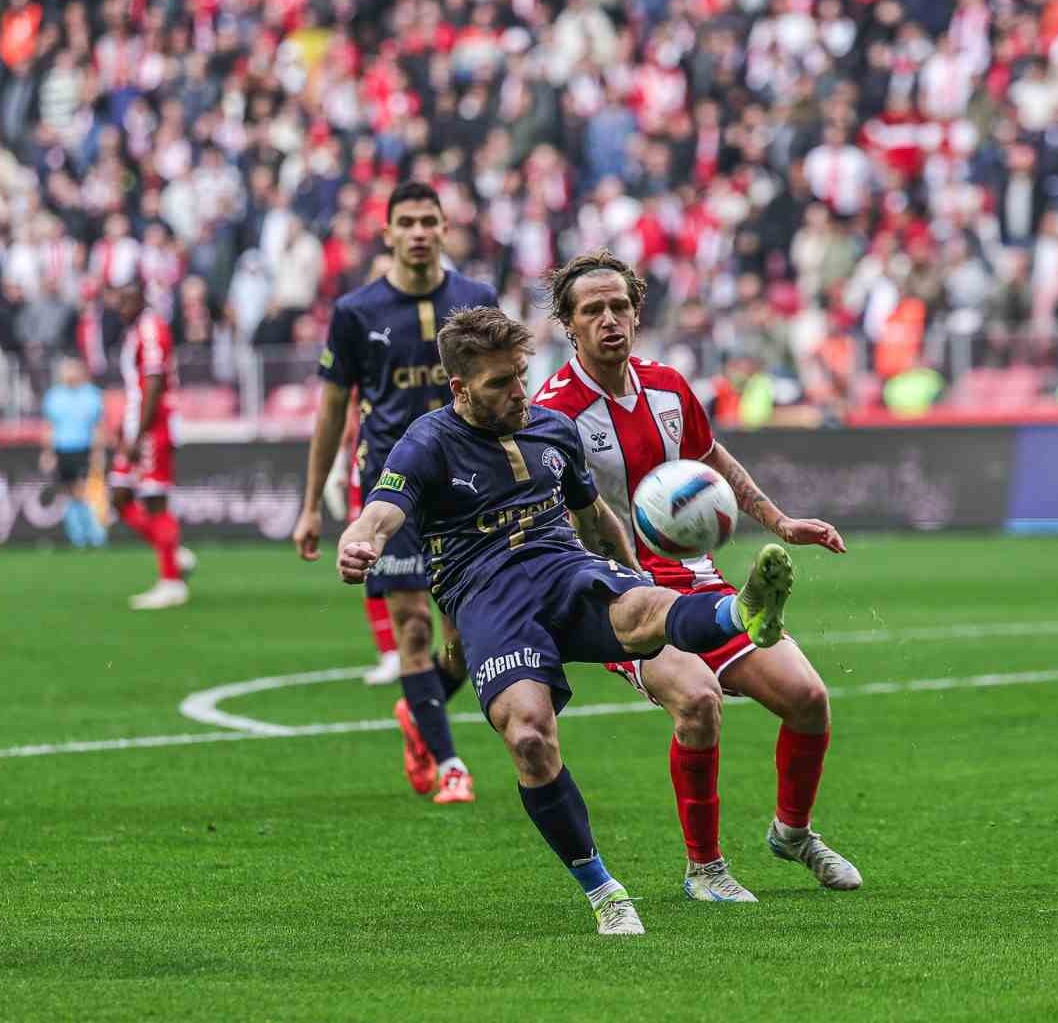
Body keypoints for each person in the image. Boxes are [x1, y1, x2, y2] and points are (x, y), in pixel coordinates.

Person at [336, 307, 798, 935]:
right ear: (460, 388)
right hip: (488, 593)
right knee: (529, 738)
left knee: (643, 611)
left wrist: (632, 568)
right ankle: (604, 889)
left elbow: (594, 516)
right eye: (500, 383)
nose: (518, 393)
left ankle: (740, 611)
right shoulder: (428, 441)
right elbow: (383, 509)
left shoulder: (551, 429)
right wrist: (358, 540)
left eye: (520, 376)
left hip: (562, 567)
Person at [534, 251, 862, 902]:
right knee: (698, 700)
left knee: (808, 700)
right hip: (615, 596)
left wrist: (778, 520)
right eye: (591, 310)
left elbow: (710, 456)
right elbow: (551, 520)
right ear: (568, 326)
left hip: (698, 581)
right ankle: (705, 868)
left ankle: (792, 834)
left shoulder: (666, 386)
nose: (609, 320)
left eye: (619, 306)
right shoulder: (554, 414)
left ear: (637, 311)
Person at [292, 181, 497, 805]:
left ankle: (419, 711)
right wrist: (309, 507)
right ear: (386, 233)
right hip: (391, 488)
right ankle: (449, 763)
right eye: (404, 221)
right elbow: (331, 412)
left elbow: (506, 393)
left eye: (427, 221)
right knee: (412, 629)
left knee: (465, 642)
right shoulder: (356, 312)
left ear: (443, 228)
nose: (417, 232)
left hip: (468, 488)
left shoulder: (476, 300)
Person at [107, 283, 197, 609]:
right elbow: (137, 386)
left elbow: (155, 383)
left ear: (143, 299)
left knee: (155, 500)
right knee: (118, 494)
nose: (122, 307)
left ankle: (172, 582)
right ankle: (172, 552)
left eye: (129, 300)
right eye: (120, 301)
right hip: (137, 425)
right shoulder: (137, 330)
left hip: (152, 427)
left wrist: (140, 433)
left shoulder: (150, 329)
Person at [41, 356, 106, 548]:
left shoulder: (91, 395)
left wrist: (97, 452)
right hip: (62, 448)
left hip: (82, 447)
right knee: (68, 491)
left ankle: (95, 535)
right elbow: (48, 426)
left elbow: (98, 427)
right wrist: (48, 452)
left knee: (82, 490)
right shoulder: (54, 396)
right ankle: (77, 537)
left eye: (72, 370)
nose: (69, 374)